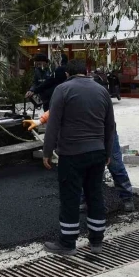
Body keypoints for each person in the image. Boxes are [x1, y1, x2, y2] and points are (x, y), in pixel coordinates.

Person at [41, 59, 115, 255]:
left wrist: (46, 152)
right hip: (97, 152)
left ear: (67, 74)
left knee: (70, 197)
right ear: (87, 71)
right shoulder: (102, 90)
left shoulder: (63, 89)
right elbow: (110, 125)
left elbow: (53, 125)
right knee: (95, 195)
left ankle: (67, 243)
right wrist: (108, 152)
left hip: (72, 153)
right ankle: (97, 241)